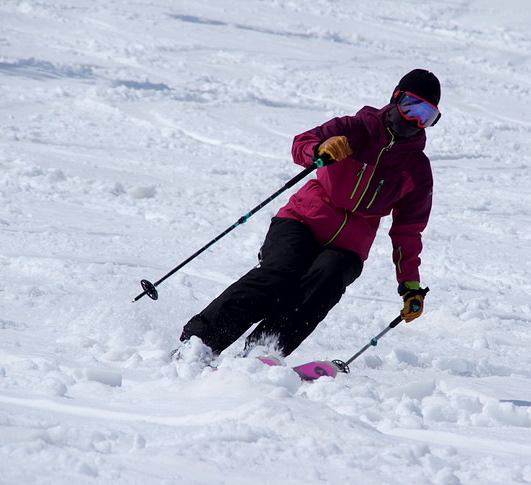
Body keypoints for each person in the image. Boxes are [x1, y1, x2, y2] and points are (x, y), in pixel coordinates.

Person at [176, 69, 441, 361]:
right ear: (394, 100)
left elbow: (407, 231)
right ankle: (200, 343)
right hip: (301, 220)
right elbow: (302, 143)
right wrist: (320, 148)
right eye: (410, 108)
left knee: (327, 279)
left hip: (349, 246)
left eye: (426, 116)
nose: (415, 122)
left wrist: (410, 286)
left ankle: (262, 352)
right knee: (279, 273)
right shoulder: (354, 128)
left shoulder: (417, 169)